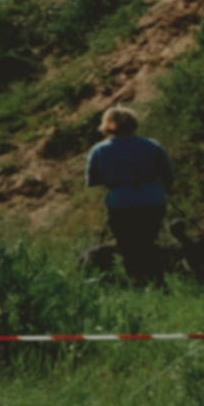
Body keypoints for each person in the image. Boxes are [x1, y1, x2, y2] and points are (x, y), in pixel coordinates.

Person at [87, 107, 173, 284]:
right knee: (149, 241)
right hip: (153, 198)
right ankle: (157, 280)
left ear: (107, 126)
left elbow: (92, 179)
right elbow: (168, 174)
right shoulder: (151, 145)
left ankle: (138, 281)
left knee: (127, 245)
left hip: (122, 201)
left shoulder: (99, 150)